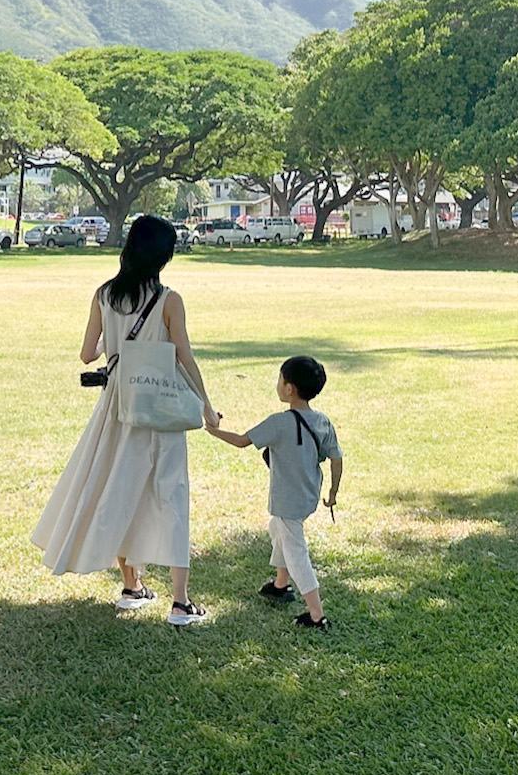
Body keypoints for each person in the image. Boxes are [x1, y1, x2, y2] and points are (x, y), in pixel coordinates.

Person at [32, 214, 220, 626]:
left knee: (116, 489)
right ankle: (180, 602)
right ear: (163, 256)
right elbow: (184, 358)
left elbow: (87, 354)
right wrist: (206, 406)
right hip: (160, 406)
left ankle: (132, 586)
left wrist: (115, 343)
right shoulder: (170, 300)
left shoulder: (104, 294)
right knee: (171, 497)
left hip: (117, 405)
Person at [205, 355, 344, 630]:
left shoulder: (280, 423)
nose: (278, 385)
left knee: (296, 552)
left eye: (280, 380)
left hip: (288, 501)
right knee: (276, 528)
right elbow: (337, 458)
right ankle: (281, 584)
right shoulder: (323, 421)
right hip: (307, 496)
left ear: (289, 388)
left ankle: (317, 615)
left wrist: (213, 431)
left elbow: (243, 441)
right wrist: (333, 491)